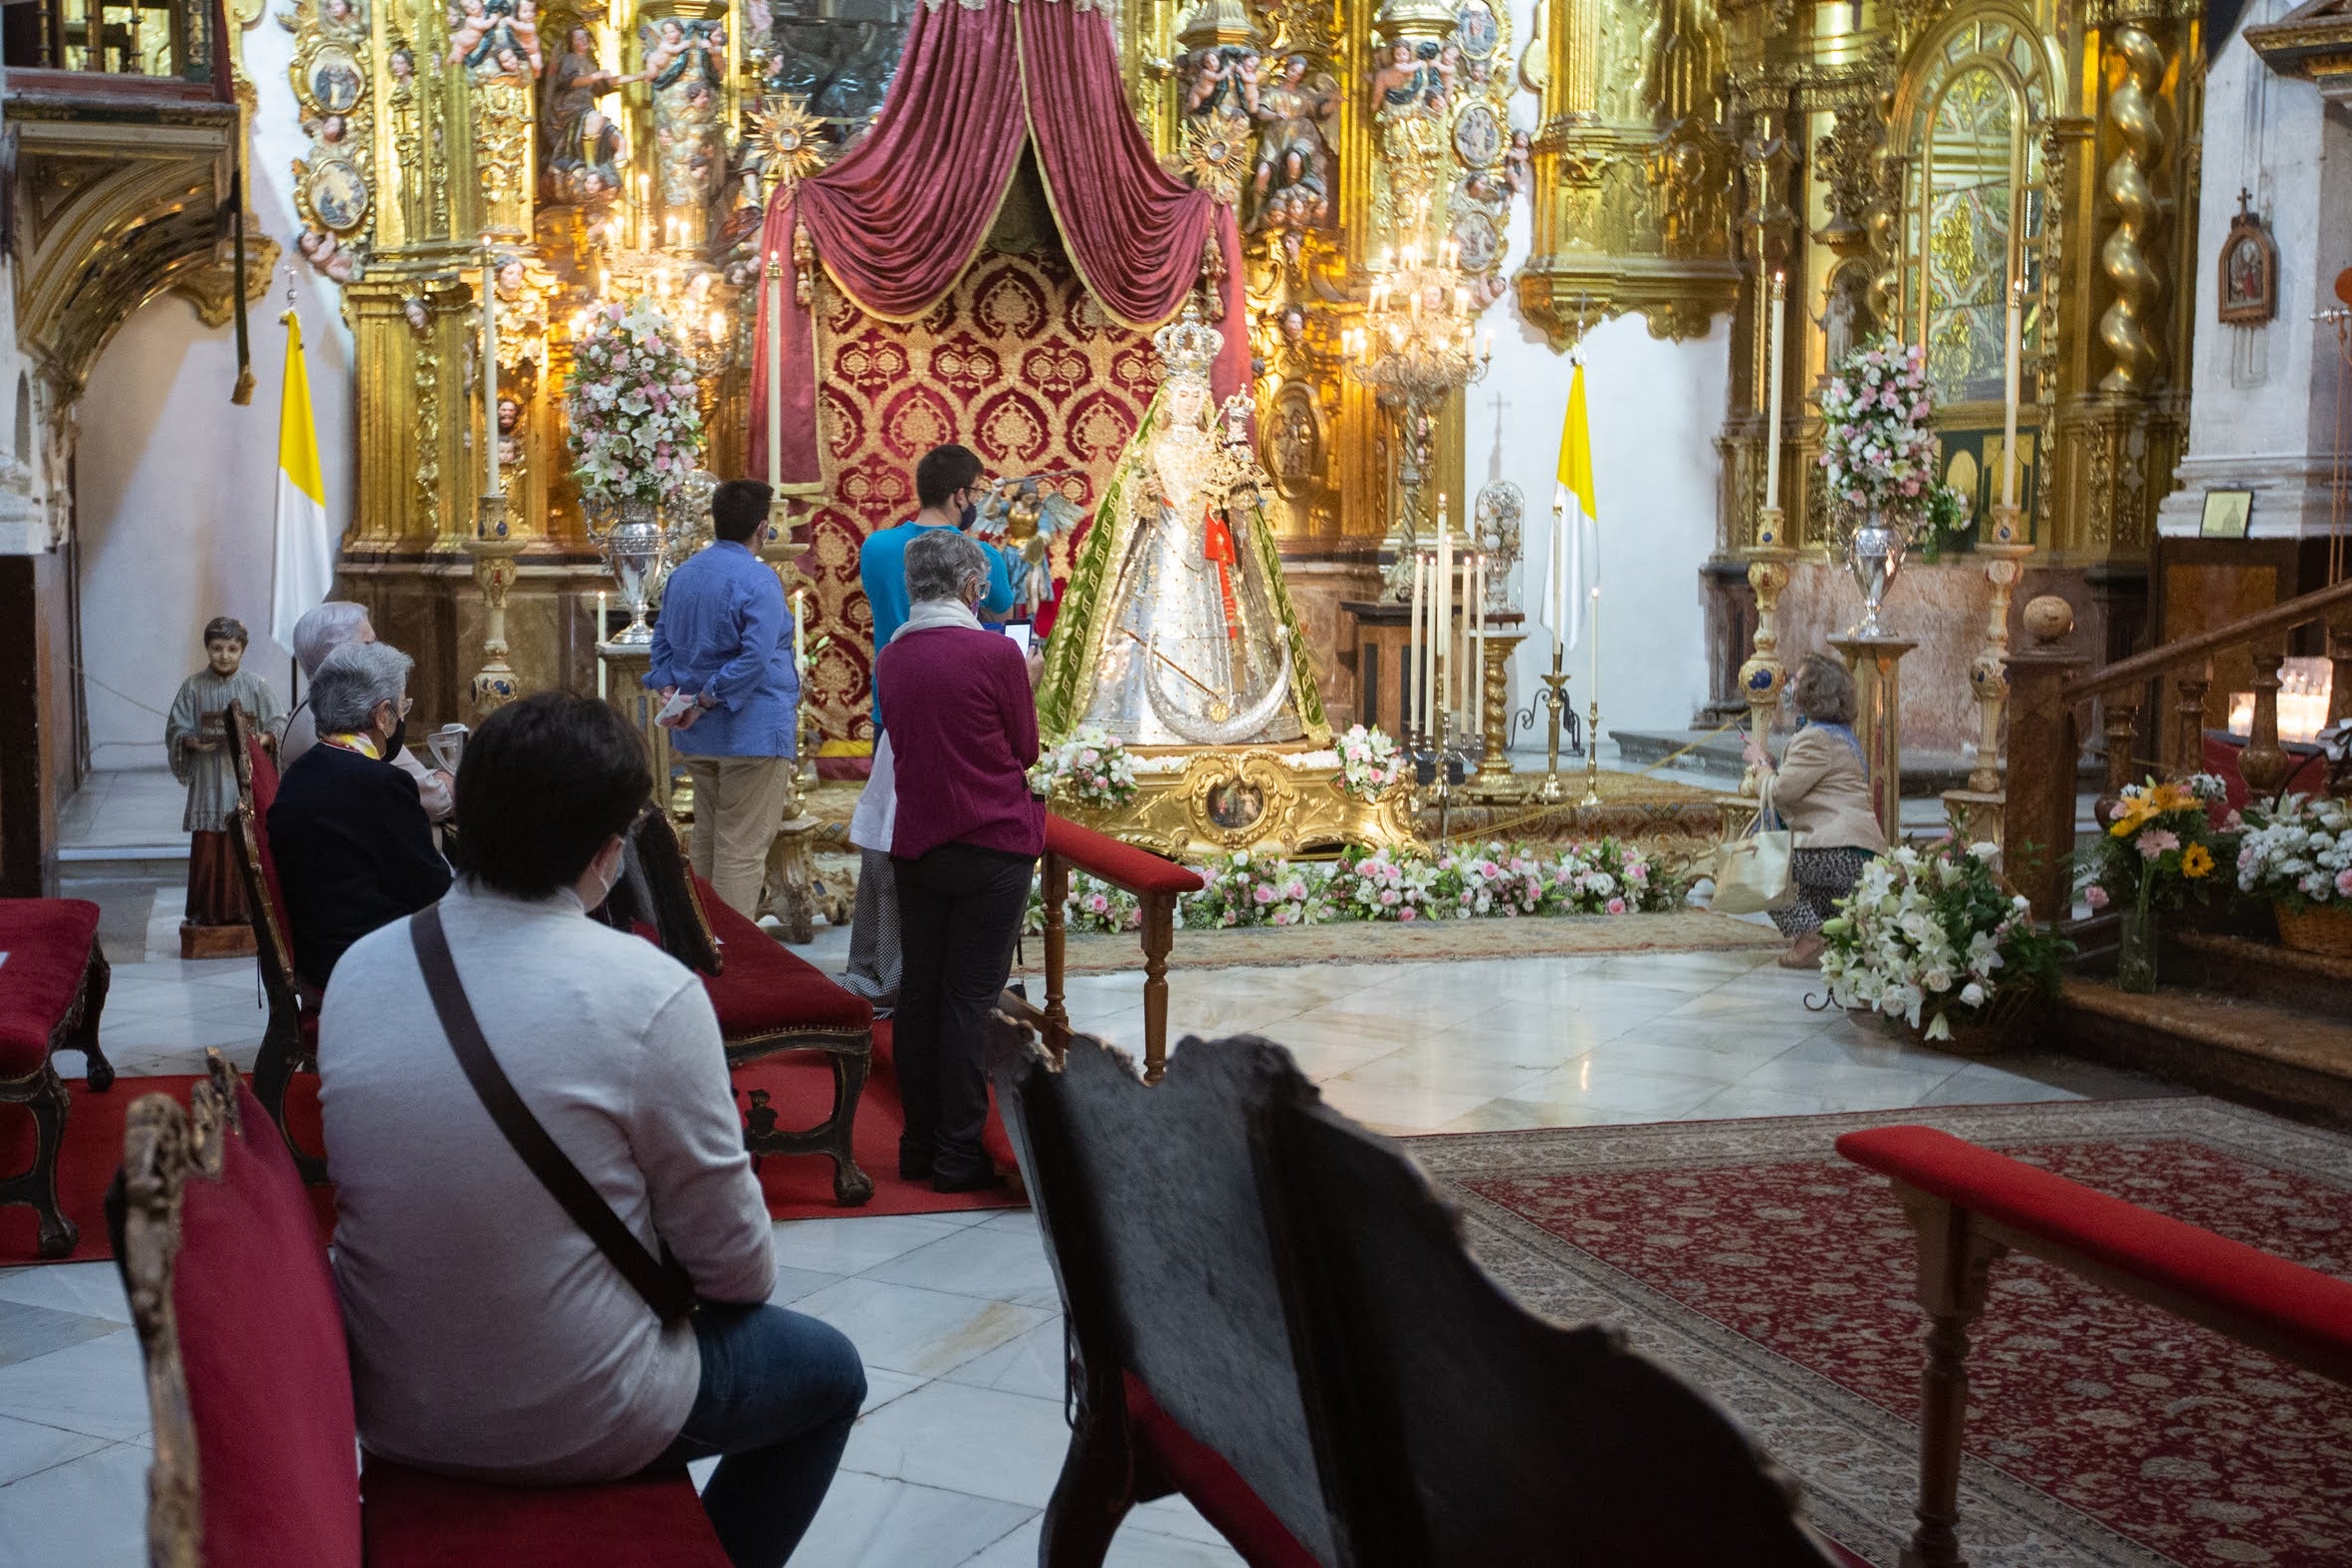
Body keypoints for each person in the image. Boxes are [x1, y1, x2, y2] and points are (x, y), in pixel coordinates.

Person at [320, 691, 862, 1568]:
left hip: (390, 1397)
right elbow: (739, 1269)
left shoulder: (359, 970)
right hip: (578, 1411)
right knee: (831, 1374)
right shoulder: (646, 991)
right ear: (610, 853)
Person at [874, 528, 1043, 1191]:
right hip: (992, 842)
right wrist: (1023, 680)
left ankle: (918, 1144)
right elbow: (1024, 749)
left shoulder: (893, 657)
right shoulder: (995, 655)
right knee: (969, 1000)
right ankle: (958, 1153)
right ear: (974, 586)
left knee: (920, 994)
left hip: (919, 844)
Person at [841, 444, 1017, 1013]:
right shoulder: (975, 551)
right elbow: (1000, 611)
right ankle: (948, 964)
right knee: (954, 838)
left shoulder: (875, 546)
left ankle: (891, 966)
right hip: (962, 711)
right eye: (977, 491)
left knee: (893, 841)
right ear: (960, 494)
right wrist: (994, 545)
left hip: (894, 703)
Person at [644, 477, 799, 920]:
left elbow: (661, 642)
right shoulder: (759, 578)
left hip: (698, 734)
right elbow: (754, 658)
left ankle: (703, 946)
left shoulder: (684, 574)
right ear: (763, 528)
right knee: (743, 851)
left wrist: (670, 688)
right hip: (750, 732)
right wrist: (707, 698)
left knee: (709, 841)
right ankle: (730, 963)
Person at [268, 640, 452, 983]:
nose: (402, 718)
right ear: (382, 715)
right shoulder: (382, 784)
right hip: (370, 962)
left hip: (321, 954)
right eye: (402, 707)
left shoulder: (301, 771)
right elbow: (433, 890)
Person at [1745, 653, 1885, 969]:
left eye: (1795, 679)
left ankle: (1809, 938)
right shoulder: (1838, 735)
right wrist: (1773, 765)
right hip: (1854, 855)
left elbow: (1780, 793)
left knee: (1758, 861)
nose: (1789, 683)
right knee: (1806, 885)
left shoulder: (1816, 738)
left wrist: (1759, 764)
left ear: (1811, 692)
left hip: (1838, 854)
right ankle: (1824, 940)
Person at [281, 600, 455, 821]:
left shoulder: (307, 710)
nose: (378, 652)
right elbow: (435, 799)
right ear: (342, 655)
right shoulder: (355, 720)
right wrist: (449, 781)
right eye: (369, 645)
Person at [165, 615, 281, 932]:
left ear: (242, 650)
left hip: (241, 781)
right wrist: (190, 740)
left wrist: (265, 740)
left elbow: (278, 723)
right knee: (208, 848)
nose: (224, 656)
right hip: (207, 779)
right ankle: (205, 912)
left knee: (243, 846)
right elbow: (177, 728)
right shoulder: (193, 687)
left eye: (232, 648)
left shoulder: (256, 686)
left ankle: (246, 913)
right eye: (217, 648)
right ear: (207, 649)